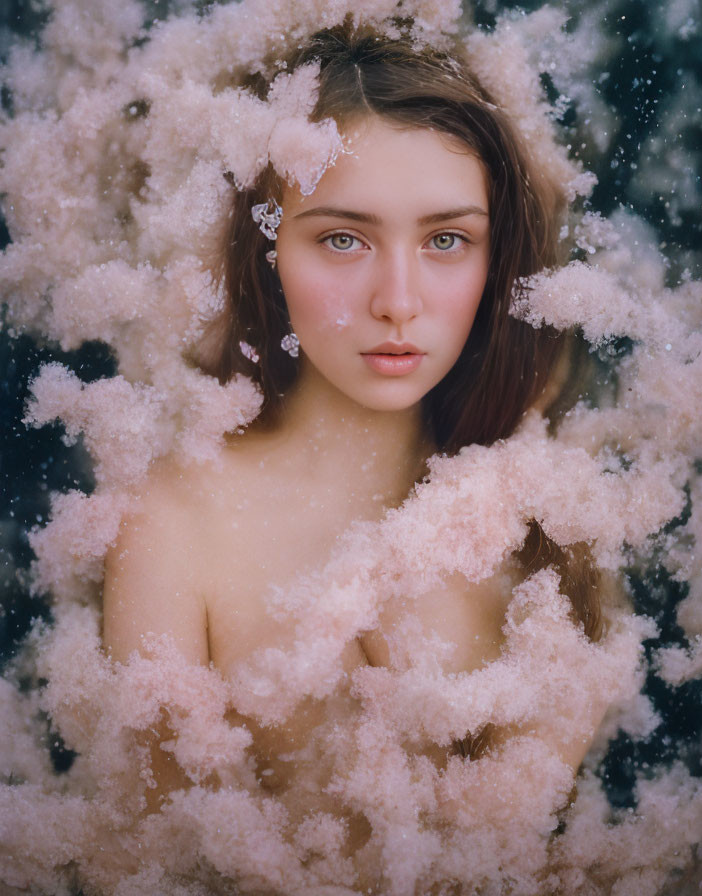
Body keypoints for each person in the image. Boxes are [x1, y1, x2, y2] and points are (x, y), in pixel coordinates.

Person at [102, 17, 603, 831]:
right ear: (265, 249)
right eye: (342, 238)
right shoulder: (175, 523)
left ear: (497, 258)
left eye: (447, 239)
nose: (397, 300)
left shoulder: (545, 517)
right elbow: (153, 860)